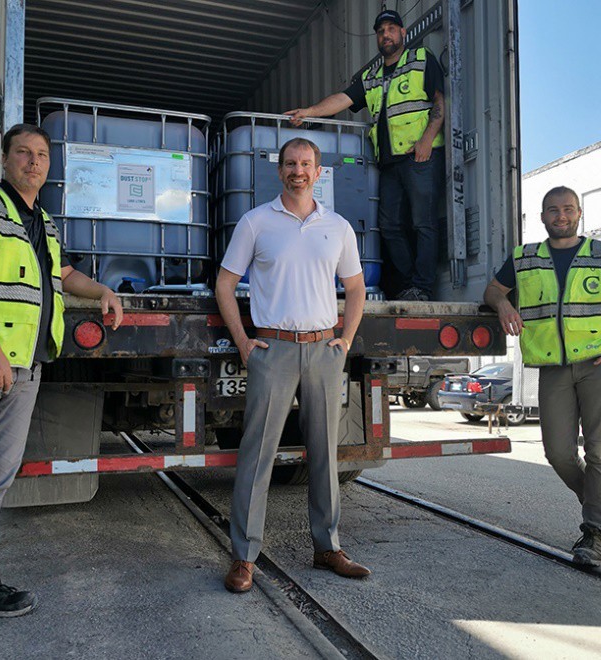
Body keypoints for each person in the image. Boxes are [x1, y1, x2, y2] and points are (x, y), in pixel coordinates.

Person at [0, 124, 123, 653]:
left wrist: (102, 288)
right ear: (5, 158)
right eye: (23, 154)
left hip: (25, 370)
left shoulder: (41, 222)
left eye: (41, 155)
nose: (33, 163)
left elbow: (62, 274)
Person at [215, 137, 370, 593]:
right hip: (274, 349)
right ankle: (244, 557)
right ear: (278, 170)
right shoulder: (256, 222)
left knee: (325, 453)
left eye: (306, 164)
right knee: (257, 453)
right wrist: (243, 342)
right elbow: (225, 286)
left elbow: (356, 288)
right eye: (290, 164)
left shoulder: (337, 227)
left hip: (323, 350)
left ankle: (328, 548)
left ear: (318, 172)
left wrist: (345, 340)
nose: (298, 170)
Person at [483, 186, 601, 567]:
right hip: (553, 368)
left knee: (599, 451)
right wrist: (502, 304)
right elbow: (493, 290)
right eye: (553, 210)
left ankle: (596, 534)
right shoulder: (525, 258)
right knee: (557, 452)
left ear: (579, 213)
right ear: (542, 217)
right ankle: (600, 505)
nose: (561, 216)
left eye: (568, 209)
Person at [285, 9, 445, 302]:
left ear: (402, 33)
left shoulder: (420, 59)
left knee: (424, 222)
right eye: (381, 31)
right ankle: (410, 283)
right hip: (389, 162)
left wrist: (427, 140)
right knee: (389, 226)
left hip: (419, 156)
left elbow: (439, 101)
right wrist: (308, 111)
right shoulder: (371, 76)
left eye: (391, 29)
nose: (386, 34)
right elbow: (343, 99)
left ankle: (423, 287)